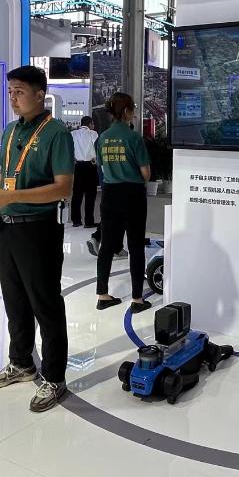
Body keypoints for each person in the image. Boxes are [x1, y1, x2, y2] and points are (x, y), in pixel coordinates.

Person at [0, 65, 74, 414]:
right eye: (10, 91)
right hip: (8, 226)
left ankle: (54, 377)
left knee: (45, 303)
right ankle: (21, 363)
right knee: (14, 300)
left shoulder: (56, 133)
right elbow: (6, 171)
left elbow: (63, 188)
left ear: (39, 94)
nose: (13, 98)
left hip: (39, 229)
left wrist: (11, 197)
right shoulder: (11, 130)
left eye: (19, 91)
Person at [95, 92, 153, 314]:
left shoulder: (102, 138)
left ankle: (102, 295)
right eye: (133, 109)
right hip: (133, 194)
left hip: (110, 193)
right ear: (127, 111)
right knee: (136, 245)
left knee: (107, 245)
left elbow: (101, 167)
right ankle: (137, 298)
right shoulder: (133, 138)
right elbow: (145, 172)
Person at [70, 116, 99, 229]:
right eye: (93, 124)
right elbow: (97, 148)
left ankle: (76, 220)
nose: (93, 126)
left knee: (77, 194)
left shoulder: (73, 134)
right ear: (90, 124)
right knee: (90, 194)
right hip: (90, 166)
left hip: (77, 166)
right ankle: (89, 221)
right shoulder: (93, 133)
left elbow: (70, 149)